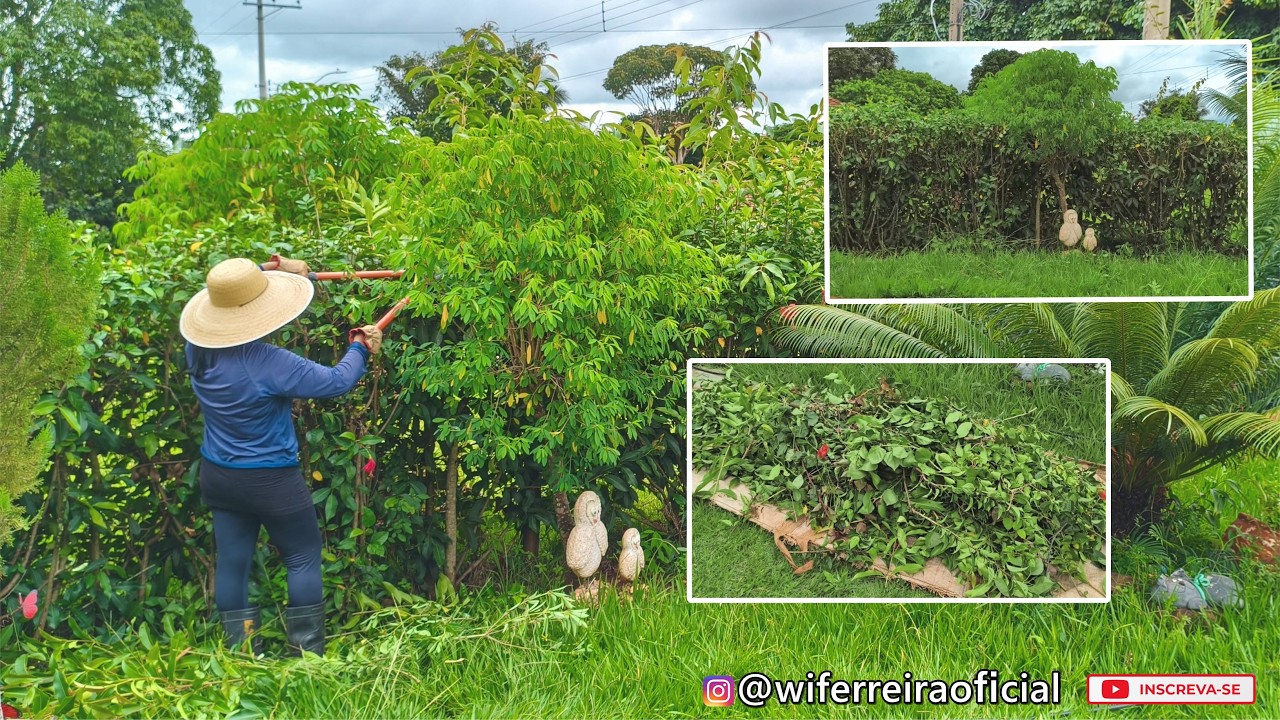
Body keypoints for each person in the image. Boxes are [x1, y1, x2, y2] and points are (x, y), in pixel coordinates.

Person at [179, 256, 382, 657]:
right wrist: (360, 347)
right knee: (302, 557)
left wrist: (276, 267)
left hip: (219, 475)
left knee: (233, 563)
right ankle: (306, 655)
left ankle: (238, 656)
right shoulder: (268, 362)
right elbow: (337, 381)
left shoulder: (196, 351)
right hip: (271, 480)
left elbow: (230, 284)